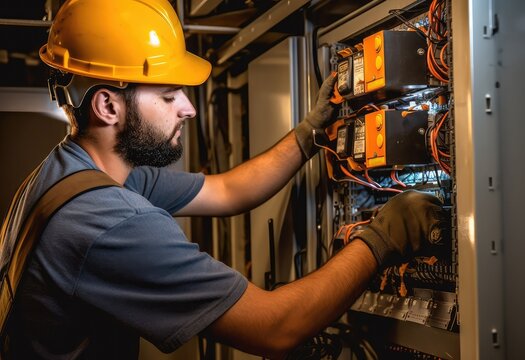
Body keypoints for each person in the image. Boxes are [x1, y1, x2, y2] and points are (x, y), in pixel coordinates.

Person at [0, 0, 444, 358]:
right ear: (108, 107)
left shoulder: (73, 174)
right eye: (170, 95)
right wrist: (383, 238)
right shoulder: (110, 221)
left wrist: (310, 134)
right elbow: (275, 328)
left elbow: (228, 190)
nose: (189, 109)